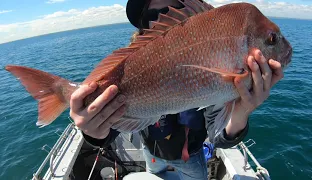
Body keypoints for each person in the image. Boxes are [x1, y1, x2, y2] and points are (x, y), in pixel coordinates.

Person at [69, 0, 284, 179]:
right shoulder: (129, 66)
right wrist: (92, 130)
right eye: (153, 15)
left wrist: (242, 110)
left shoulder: (220, 62)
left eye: (174, 12)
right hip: (151, 153)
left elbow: (218, 137)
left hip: (190, 156)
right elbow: (109, 131)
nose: (164, 20)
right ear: (143, 26)